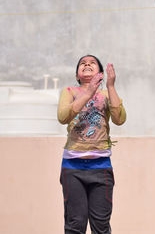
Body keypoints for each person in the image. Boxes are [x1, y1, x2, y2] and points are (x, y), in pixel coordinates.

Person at [57, 55, 126, 234]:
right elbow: (63, 117)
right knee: (75, 223)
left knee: (101, 225)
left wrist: (110, 86)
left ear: (101, 74)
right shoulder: (70, 91)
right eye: (83, 63)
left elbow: (119, 119)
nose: (87, 64)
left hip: (100, 166)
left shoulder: (105, 94)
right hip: (72, 167)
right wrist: (87, 93)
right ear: (77, 75)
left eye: (92, 63)